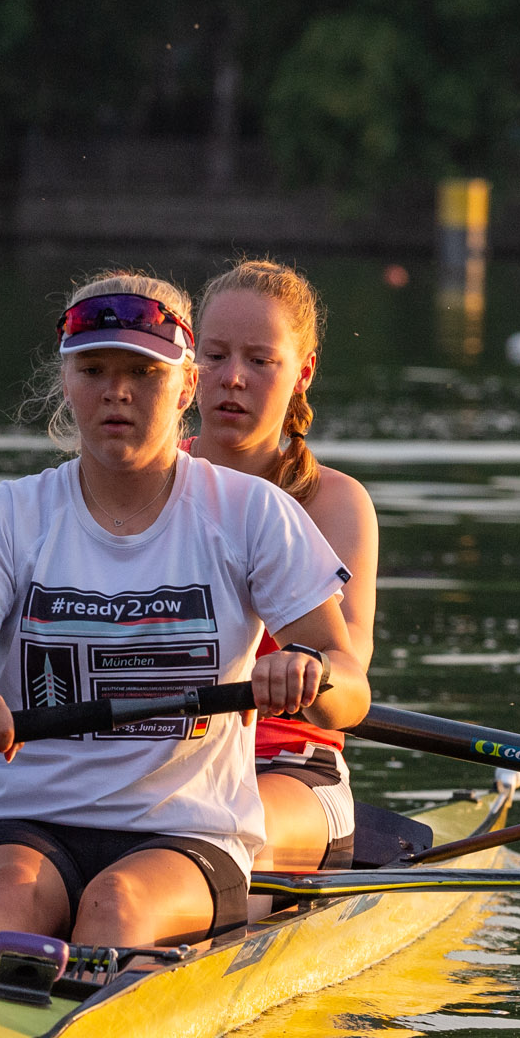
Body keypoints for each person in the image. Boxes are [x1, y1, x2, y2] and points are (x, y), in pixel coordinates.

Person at [0, 271, 371, 951]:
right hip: (27, 821)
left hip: (187, 830)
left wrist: (312, 675)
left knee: (115, 906)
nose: (116, 392)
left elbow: (349, 686)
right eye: (94, 369)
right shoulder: (0, 517)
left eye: (144, 374)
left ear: (186, 386)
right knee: (0, 904)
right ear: (66, 381)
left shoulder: (251, 515)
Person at [189, 260, 378, 872]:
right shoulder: (143, 482)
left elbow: (351, 688)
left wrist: (313, 669)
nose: (232, 379)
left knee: (208, 833)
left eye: (260, 361)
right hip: (159, 765)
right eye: (214, 356)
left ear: (304, 371)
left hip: (290, 769)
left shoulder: (333, 503)